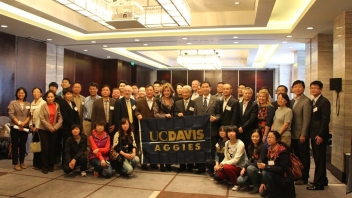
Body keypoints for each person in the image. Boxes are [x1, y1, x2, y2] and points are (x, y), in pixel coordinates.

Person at [307, 81, 331, 190]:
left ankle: (318, 183)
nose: (313, 90)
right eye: (311, 88)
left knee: (320, 158)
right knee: (317, 158)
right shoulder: (313, 101)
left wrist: (320, 134)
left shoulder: (324, 101)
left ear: (320, 89)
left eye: (315, 88)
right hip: (313, 134)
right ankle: (323, 179)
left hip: (319, 135)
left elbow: (325, 120)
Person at [258, 131, 295, 198]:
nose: (269, 139)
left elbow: (282, 169)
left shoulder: (283, 151)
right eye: (268, 137)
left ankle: (275, 191)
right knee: (263, 194)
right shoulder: (269, 150)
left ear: (277, 139)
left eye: (271, 137)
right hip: (274, 174)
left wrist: (266, 166)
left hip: (283, 177)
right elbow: (268, 165)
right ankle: (271, 189)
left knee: (265, 172)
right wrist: (263, 182)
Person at [194, 81, 220, 173]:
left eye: (206, 87)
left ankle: (211, 169)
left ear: (210, 88)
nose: (205, 88)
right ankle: (201, 168)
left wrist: (215, 118)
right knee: (200, 149)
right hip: (200, 130)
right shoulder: (196, 100)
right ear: (200, 88)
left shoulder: (216, 99)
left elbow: (219, 114)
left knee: (212, 150)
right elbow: (194, 115)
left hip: (212, 129)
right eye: (203, 87)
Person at [290, 80, 312, 185]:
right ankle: (298, 175)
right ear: (292, 89)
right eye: (295, 87)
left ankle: (304, 177)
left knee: (304, 156)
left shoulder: (306, 101)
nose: (297, 89)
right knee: (296, 156)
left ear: (303, 88)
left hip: (301, 135)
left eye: (299, 87)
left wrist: (303, 134)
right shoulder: (292, 101)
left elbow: (306, 120)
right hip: (293, 134)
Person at [214, 126, 247, 191]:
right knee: (218, 175)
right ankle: (231, 177)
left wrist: (223, 164)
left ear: (236, 133)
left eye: (233, 132)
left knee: (226, 167)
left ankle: (236, 183)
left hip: (240, 166)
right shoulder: (227, 143)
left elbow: (235, 160)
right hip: (230, 165)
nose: (231, 133)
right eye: (229, 132)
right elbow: (226, 157)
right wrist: (221, 165)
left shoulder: (240, 144)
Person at [38, 91, 63, 174]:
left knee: (52, 148)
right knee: (45, 148)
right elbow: (42, 118)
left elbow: (60, 118)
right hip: (44, 130)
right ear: (46, 97)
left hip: (54, 130)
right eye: (48, 97)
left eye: (52, 97)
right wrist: (50, 127)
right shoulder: (43, 106)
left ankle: (51, 165)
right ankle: (45, 166)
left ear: (54, 97)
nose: (50, 98)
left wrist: (55, 127)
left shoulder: (57, 106)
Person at [237, 129, 267, 194]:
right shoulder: (250, 147)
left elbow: (260, 161)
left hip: (260, 170)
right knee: (240, 181)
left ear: (260, 137)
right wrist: (244, 168)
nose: (254, 138)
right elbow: (250, 159)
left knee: (250, 168)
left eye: (257, 137)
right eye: (253, 136)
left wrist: (246, 166)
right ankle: (253, 181)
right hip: (252, 168)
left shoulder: (263, 147)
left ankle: (256, 187)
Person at [135, 85, 158, 170]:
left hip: (154, 126)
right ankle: (144, 162)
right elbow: (136, 111)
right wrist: (138, 115)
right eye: (147, 90)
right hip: (144, 126)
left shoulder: (157, 100)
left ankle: (153, 163)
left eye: (151, 90)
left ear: (153, 91)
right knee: (144, 145)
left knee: (153, 145)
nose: (149, 92)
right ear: (145, 91)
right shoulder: (140, 101)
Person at [8, 87, 31, 171]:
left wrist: (24, 123)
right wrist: (19, 123)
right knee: (15, 145)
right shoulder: (12, 103)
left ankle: (22, 162)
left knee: (23, 145)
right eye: (19, 93)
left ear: (25, 94)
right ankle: (15, 163)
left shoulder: (28, 104)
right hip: (15, 126)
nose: (21, 94)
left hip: (25, 127)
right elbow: (11, 114)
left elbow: (30, 115)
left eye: (22, 93)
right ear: (17, 94)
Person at [153, 83, 175, 172]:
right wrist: (165, 115)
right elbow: (155, 114)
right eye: (165, 91)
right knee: (162, 146)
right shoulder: (158, 100)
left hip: (171, 125)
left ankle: (168, 163)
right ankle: (162, 164)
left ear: (171, 92)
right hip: (161, 125)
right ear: (162, 92)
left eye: (168, 91)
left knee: (170, 145)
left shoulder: (174, 100)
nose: (166, 92)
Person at [174, 85, 195, 172]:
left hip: (191, 129)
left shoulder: (194, 103)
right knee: (181, 147)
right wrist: (177, 114)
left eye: (187, 92)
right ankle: (182, 165)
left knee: (190, 148)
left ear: (190, 93)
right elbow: (174, 112)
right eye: (183, 92)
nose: (185, 94)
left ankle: (190, 165)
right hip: (180, 129)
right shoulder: (177, 103)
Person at [113, 85, 137, 150]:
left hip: (132, 125)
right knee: (123, 142)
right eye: (125, 91)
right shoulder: (118, 102)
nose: (127, 92)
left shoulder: (134, 102)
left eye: (129, 91)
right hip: (123, 126)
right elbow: (116, 117)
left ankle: (132, 152)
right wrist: (119, 129)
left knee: (132, 141)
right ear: (123, 92)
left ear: (131, 92)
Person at [60, 88, 80, 162]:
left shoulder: (73, 103)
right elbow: (65, 117)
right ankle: (65, 162)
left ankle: (73, 161)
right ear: (64, 95)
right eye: (67, 94)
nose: (69, 95)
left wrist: (77, 125)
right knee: (66, 145)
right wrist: (73, 126)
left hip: (75, 127)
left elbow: (76, 114)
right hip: (67, 128)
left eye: (70, 94)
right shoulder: (62, 104)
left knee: (74, 145)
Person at [29, 87, 46, 170]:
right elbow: (30, 115)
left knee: (41, 146)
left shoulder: (43, 103)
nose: (35, 93)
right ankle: (36, 164)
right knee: (35, 145)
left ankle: (42, 164)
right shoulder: (32, 103)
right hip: (34, 127)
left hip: (41, 127)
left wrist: (38, 127)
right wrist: (31, 125)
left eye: (37, 92)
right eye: (34, 92)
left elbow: (43, 117)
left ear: (41, 94)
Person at [238, 87, 258, 154]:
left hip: (248, 130)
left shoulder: (254, 104)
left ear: (252, 94)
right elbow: (236, 117)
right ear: (243, 94)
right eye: (246, 93)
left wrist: (243, 127)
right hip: (239, 130)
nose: (247, 95)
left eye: (249, 93)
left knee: (249, 148)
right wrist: (239, 127)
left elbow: (252, 119)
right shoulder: (239, 103)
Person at [83, 82, 101, 153]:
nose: (92, 90)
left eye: (94, 89)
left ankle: (96, 158)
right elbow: (84, 111)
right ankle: (88, 159)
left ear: (97, 90)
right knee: (87, 141)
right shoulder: (86, 99)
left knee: (97, 141)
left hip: (97, 123)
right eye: (90, 89)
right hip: (87, 122)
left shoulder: (100, 99)